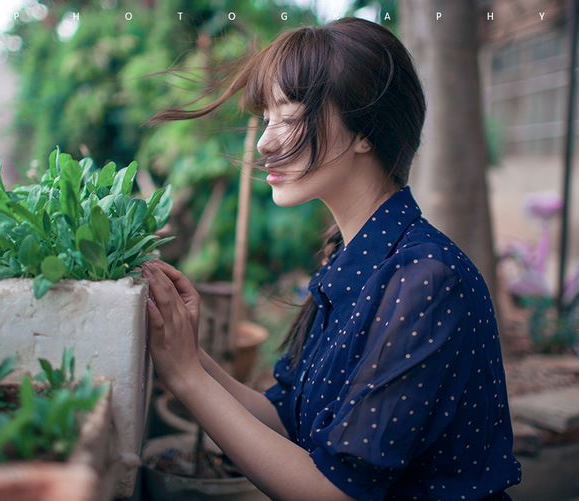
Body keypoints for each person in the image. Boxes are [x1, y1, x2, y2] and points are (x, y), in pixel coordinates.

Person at [141, 17, 521, 501]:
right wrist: (188, 353)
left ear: (366, 131)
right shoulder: (352, 259)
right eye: (269, 117)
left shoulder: (425, 279)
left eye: (291, 116)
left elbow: (336, 491)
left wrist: (186, 377)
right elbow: (286, 421)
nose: (264, 142)